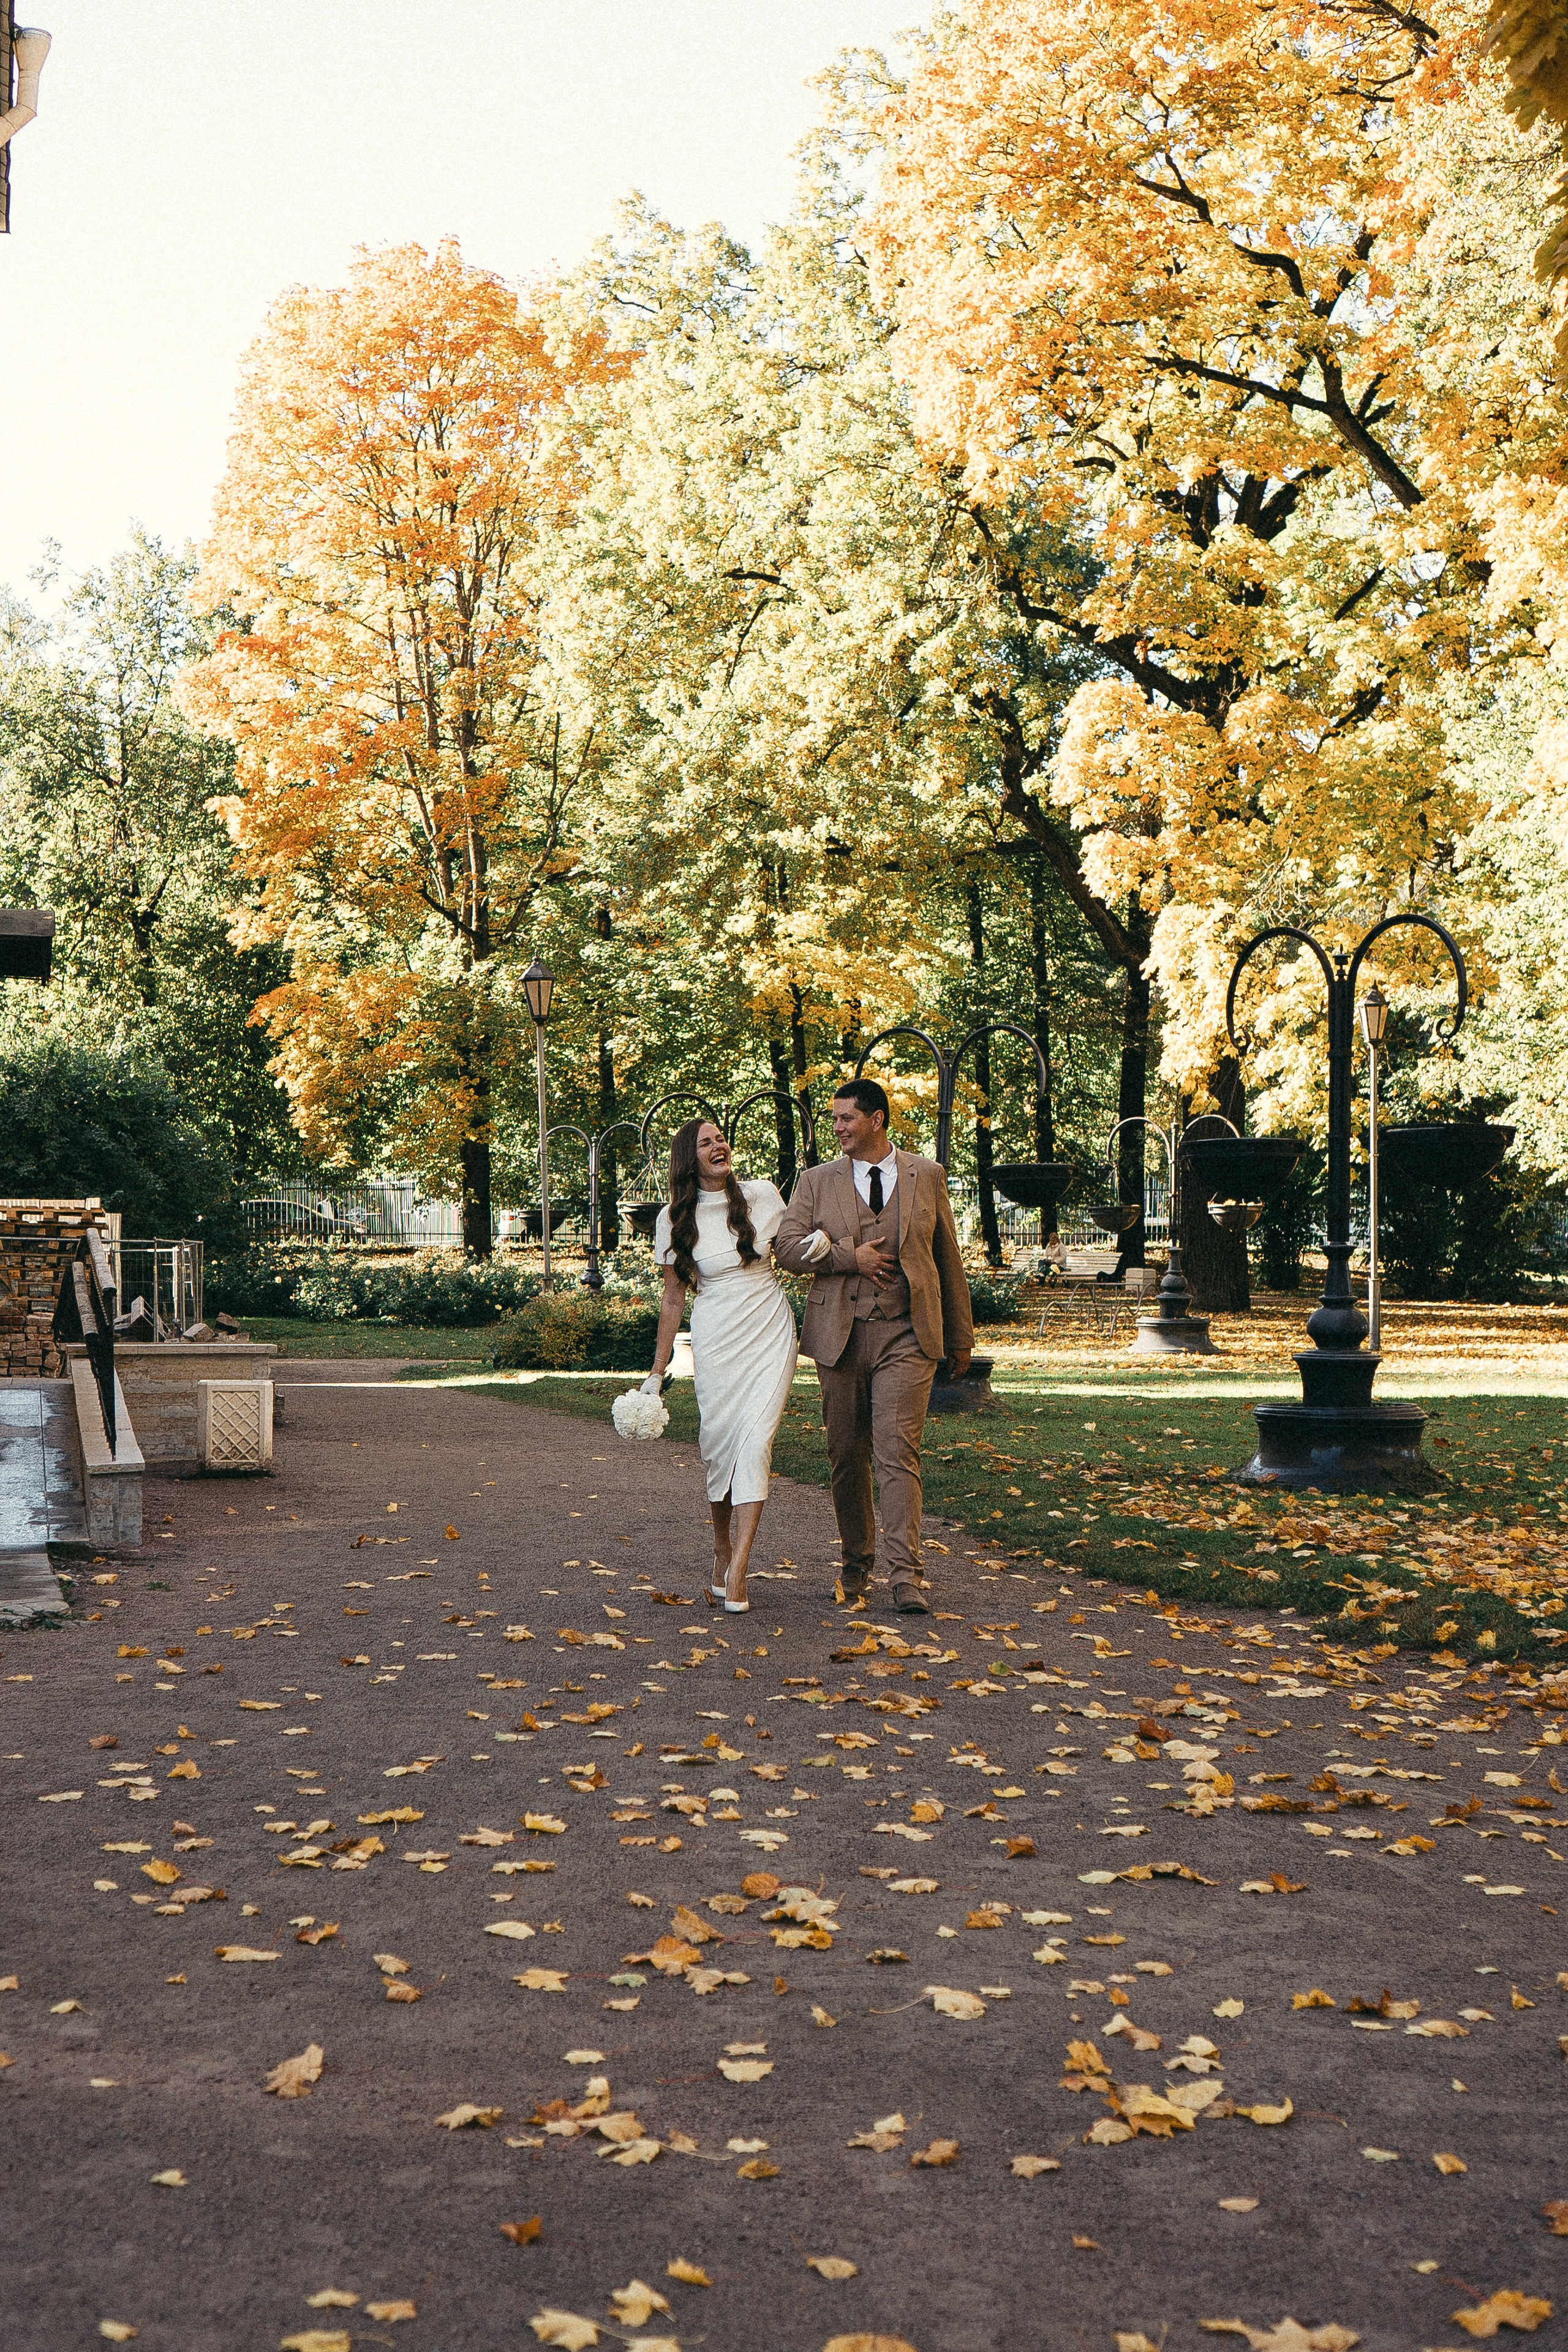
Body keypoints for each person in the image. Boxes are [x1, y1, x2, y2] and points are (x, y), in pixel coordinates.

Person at [774, 1077, 973, 1613]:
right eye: (834, 1119)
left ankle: (906, 1577)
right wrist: (847, 1257)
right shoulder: (816, 1182)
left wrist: (961, 1336)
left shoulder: (925, 1175)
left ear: (877, 1120)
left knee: (896, 1450)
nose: (836, 1128)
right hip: (840, 1334)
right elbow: (787, 1249)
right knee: (845, 1454)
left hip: (907, 1334)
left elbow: (946, 1257)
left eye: (846, 1119)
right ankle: (855, 1563)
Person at [645, 1118, 798, 1614]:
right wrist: (656, 1370)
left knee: (755, 1444)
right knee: (717, 1448)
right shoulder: (673, 1218)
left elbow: (797, 1248)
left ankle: (739, 1570)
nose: (719, 1146)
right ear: (690, 1158)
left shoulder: (763, 1195)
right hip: (716, 1337)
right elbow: (673, 1299)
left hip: (768, 1330)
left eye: (721, 1139)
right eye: (706, 1142)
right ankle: (720, 1549)